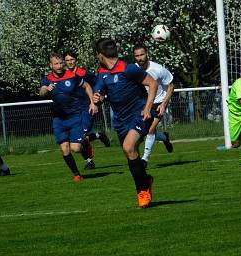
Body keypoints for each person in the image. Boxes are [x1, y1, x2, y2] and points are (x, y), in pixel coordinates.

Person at [92, 38, 158, 208]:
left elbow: (152, 83)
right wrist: (96, 100)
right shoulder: (102, 73)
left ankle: (142, 191)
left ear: (100, 55)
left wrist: (148, 107)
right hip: (120, 121)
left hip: (138, 114)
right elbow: (100, 95)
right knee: (130, 153)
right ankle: (146, 180)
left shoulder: (128, 68)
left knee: (129, 146)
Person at [40, 53, 97, 182]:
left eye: (61, 63)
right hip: (59, 118)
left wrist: (92, 103)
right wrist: (46, 89)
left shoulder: (72, 76)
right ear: (51, 65)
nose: (60, 66)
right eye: (56, 64)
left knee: (76, 148)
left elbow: (87, 86)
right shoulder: (47, 79)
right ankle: (77, 174)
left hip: (75, 116)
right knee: (64, 148)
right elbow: (41, 91)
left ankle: (85, 143)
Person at [64, 50, 111, 169]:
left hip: (87, 108)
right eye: (67, 60)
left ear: (76, 60)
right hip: (73, 111)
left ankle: (90, 161)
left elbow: (99, 84)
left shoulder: (83, 73)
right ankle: (98, 136)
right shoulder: (64, 76)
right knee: (75, 141)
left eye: (72, 60)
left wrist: (95, 101)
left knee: (81, 137)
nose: (70, 62)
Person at [133, 43, 175, 168]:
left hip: (158, 102)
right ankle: (164, 137)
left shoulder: (158, 69)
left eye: (142, 54)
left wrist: (164, 103)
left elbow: (171, 85)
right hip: (143, 103)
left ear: (147, 54)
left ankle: (145, 159)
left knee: (151, 129)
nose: (140, 58)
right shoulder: (133, 69)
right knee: (144, 131)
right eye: (137, 56)